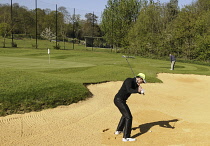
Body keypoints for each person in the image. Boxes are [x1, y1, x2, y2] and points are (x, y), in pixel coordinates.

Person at [114, 73, 146, 142]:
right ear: (139, 78)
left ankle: (119, 130)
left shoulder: (135, 84)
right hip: (119, 100)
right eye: (142, 81)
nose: (142, 83)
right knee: (129, 117)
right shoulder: (129, 80)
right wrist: (137, 90)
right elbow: (129, 90)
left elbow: (135, 90)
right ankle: (126, 137)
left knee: (125, 115)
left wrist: (141, 91)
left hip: (121, 101)